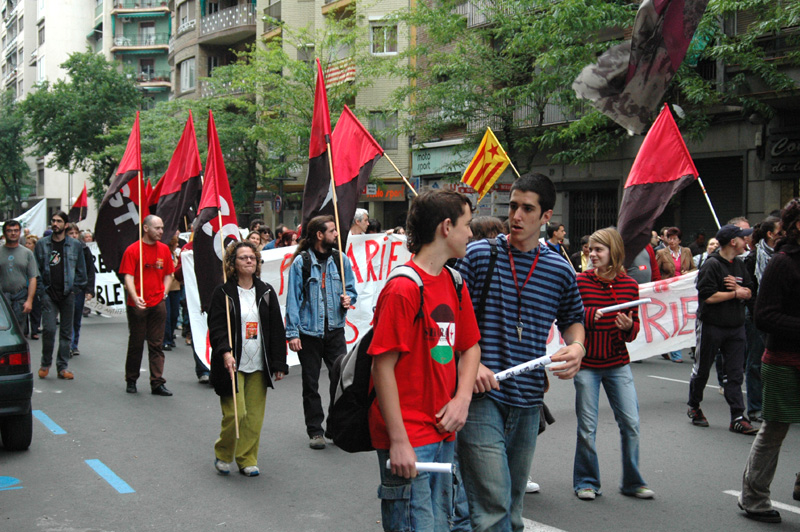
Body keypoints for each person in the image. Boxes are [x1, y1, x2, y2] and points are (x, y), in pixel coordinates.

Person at [455, 173, 586, 532]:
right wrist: (473, 361)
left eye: (528, 209)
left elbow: (574, 320)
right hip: (481, 395)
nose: (516, 216)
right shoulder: (480, 255)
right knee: (492, 506)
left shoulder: (559, 268)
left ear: (546, 216)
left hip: (528, 401)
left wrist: (576, 346)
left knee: (511, 510)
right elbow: (448, 316)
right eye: (513, 206)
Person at [369, 190, 481, 531]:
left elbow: (471, 347)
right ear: (446, 227)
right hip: (409, 437)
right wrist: (399, 441)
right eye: (467, 225)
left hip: (444, 432)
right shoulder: (403, 288)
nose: (471, 233)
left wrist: (462, 400)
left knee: (439, 524)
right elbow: (382, 367)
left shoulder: (455, 281)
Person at [573, 228, 653, 501]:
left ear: (614, 252)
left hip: (619, 364)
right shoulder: (580, 282)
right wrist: (588, 315)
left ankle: (632, 482)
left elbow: (634, 331)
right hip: (587, 366)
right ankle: (586, 481)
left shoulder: (630, 286)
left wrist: (630, 325)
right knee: (587, 427)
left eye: (599, 250)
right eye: (590, 249)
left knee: (630, 423)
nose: (592, 254)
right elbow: (569, 319)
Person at [738, 198, 800, 524]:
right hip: (782, 361)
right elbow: (764, 316)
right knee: (774, 430)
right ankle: (754, 497)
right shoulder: (782, 263)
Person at [207, 241, 288, 477]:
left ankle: (247, 459)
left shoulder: (266, 291)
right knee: (236, 414)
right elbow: (217, 327)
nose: (249, 261)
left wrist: (279, 363)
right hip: (232, 363)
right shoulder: (222, 293)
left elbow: (276, 330)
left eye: (253, 257)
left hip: (259, 363)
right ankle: (223, 453)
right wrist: (225, 352)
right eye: (243, 258)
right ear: (233, 264)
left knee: (253, 418)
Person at [285, 215, 357, 449]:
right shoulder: (301, 263)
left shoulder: (341, 259)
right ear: (319, 235)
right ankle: (315, 431)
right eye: (332, 231)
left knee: (340, 381)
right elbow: (293, 301)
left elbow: (352, 290)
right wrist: (292, 333)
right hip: (309, 333)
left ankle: (335, 428)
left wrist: (348, 299)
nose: (336, 234)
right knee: (311, 382)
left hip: (335, 330)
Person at [688, 224, 758, 435]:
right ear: (732, 242)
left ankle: (737, 416)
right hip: (711, 325)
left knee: (735, 373)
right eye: (743, 238)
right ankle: (694, 406)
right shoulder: (712, 265)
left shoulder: (739, 264)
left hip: (735, 327)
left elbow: (749, 290)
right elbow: (708, 297)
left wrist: (741, 290)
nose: (747, 241)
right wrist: (735, 294)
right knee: (702, 369)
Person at [119, 215, 175, 396]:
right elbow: (127, 276)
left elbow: (169, 274)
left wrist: (164, 293)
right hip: (138, 304)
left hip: (158, 302)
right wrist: (135, 298)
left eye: (162, 228)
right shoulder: (133, 250)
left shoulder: (165, 249)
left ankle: (157, 382)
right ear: (145, 228)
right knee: (136, 343)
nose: (161, 231)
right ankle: (131, 379)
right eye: (157, 228)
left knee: (156, 344)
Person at [34, 212, 87, 380]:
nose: (55, 223)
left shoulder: (75, 245)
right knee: (49, 330)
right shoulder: (42, 245)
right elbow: (36, 271)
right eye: (53, 220)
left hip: (67, 294)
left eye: (59, 221)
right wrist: (41, 291)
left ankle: (62, 367)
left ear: (65, 225)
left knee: (66, 333)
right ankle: (45, 363)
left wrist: (74, 289)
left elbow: (81, 272)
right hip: (48, 294)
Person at [655, 227, 696, 362]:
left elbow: (694, 268)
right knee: (672, 320)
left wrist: (688, 273)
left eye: (674, 239)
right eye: (669, 238)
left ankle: (677, 348)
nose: (672, 241)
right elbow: (656, 271)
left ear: (679, 240)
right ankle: (675, 353)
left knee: (682, 319)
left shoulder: (687, 251)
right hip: (669, 291)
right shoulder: (662, 253)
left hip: (683, 290)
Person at [0, 220, 38, 331]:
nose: (13, 233)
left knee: (19, 331)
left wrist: (29, 300)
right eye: (9, 231)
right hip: (2, 298)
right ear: (4, 233)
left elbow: (32, 278)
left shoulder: (27, 253)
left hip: (20, 297)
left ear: (20, 232)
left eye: (16, 230)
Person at [66, 223, 95, 357]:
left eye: (75, 233)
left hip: (79, 288)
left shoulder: (84, 249)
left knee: (76, 317)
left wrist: (89, 289)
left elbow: (90, 270)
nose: (74, 236)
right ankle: (67, 344)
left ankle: (74, 344)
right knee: (67, 317)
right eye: (71, 233)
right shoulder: (63, 248)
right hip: (65, 288)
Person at [162, 234, 182, 352]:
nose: (178, 245)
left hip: (176, 288)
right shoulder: (164, 255)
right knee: (167, 315)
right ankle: (166, 340)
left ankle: (171, 335)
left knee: (175, 314)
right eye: (176, 243)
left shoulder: (175, 255)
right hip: (166, 289)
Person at [24, 235, 42, 340]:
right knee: (24, 309)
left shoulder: (37, 257)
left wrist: (39, 288)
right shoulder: (22, 254)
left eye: (29, 243)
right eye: (26, 243)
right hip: (24, 286)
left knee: (35, 310)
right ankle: (25, 330)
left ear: (34, 245)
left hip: (35, 285)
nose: (27, 245)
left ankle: (34, 330)